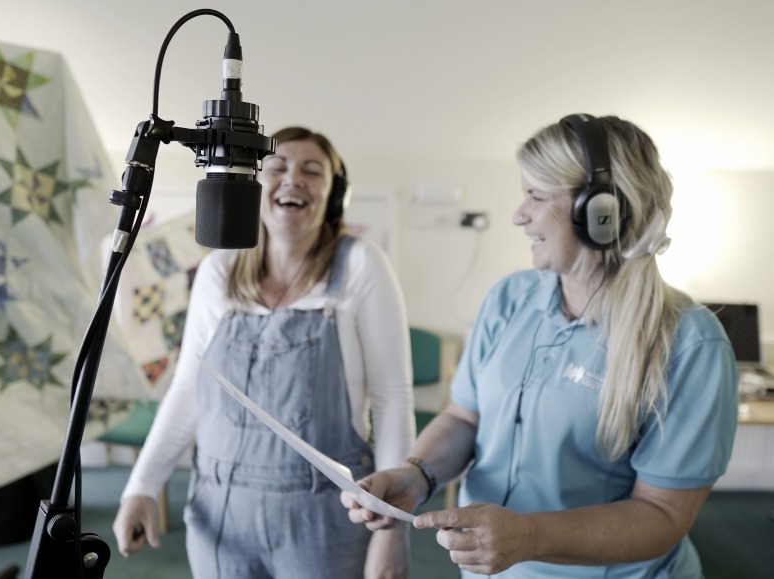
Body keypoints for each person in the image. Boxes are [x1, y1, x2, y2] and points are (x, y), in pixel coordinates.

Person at [342, 114, 739, 578]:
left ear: (600, 211)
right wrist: (416, 474)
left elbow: (663, 514)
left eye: (535, 195)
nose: (518, 214)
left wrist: (529, 537)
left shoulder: (691, 344)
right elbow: (463, 417)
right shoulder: (509, 299)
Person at [113, 126, 415, 578]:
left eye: (312, 171)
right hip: (220, 514)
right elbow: (188, 390)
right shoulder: (219, 270)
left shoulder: (360, 264)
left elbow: (394, 398)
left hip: (326, 515)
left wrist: (391, 529)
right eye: (277, 167)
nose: (293, 178)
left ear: (333, 197)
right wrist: (141, 486)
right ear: (255, 186)